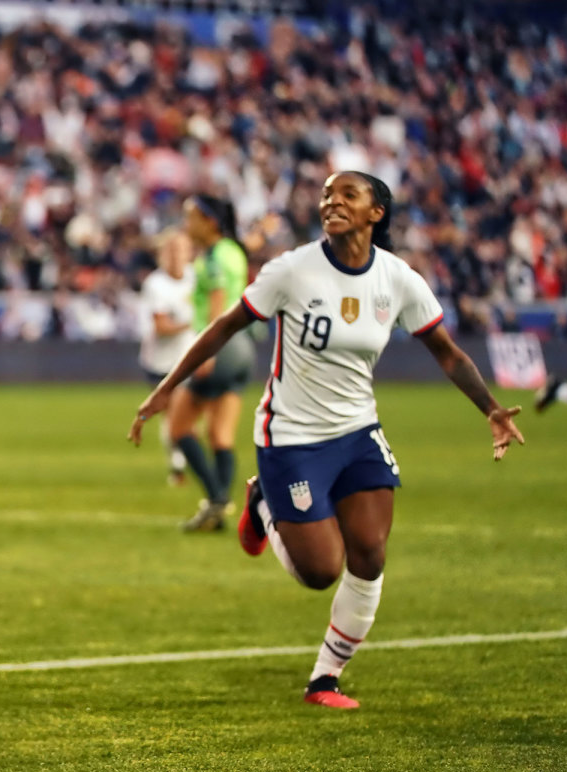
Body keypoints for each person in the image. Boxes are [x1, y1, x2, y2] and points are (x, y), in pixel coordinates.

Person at [130, 171, 524, 709]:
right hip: (291, 437)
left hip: (358, 432)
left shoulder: (398, 279)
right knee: (320, 572)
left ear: (376, 213)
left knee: (371, 554)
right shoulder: (292, 270)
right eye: (326, 195)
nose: (331, 202)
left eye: (347, 195)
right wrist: (166, 388)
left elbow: (448, 353)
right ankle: (262, 501)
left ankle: (325, 678)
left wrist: (492, 409)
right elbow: (224, 325)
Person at [168, 196, 254, 532]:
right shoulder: (234, 251)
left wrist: (209, 351)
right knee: (221, 435)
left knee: (178, 427)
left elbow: (218, 300)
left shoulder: (215, 256)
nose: (186, 224)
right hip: (242, 348)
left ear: (210, 221)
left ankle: (217, 500)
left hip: (221, 348)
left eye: (191, 217)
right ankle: (217, 513)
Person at [137, 227, 196, 486]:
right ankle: (178, 461)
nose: (176, 255)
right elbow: (161, 327)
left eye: (181, 249)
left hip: (188, 357)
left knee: (185, 413)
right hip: (160, 360)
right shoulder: (155, 284)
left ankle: (181, 463)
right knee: (171, 414)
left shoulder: (195, 277)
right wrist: (193, 322)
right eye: (171, 250)